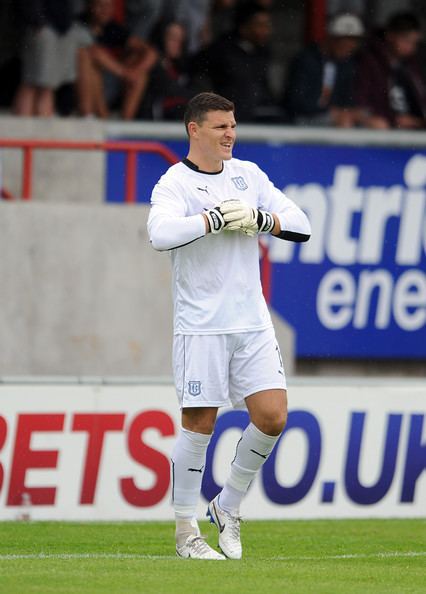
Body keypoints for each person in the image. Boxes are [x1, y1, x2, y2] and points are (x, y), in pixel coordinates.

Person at [147, 92, 311, 560]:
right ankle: (186, 533)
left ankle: (227, 506)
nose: (230, 135)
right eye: (220, 127)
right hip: (201, 326)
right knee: (199, 425)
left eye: (233, 125)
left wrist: (263, 219)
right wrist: (212, 218)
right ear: (193, 130)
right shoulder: (173, 183)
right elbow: (159, 234)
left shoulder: (248, 175)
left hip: (252, 323)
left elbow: (301, 224)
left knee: (273, 416)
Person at [192, 2, 276, 122]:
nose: (266, 31)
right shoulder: (220, 51)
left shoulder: (263, 53)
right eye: (260, 25)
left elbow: (264, 90)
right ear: (243, 28)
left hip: (256, 119)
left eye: (267, 25)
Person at [77, 0, 157, 119]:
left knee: (139, 73)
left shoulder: (112, 28)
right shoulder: (79, 24)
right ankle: (100, 118)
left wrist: (135, 72)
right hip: (78, 87)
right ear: (90, 6)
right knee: (89, 60)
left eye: (109, 6)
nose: (105, 10)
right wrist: (124, 73)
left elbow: (151, 53)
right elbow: (94, 52)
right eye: (101, 5)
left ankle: (125, 123)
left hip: (111, 85)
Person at [283, 13, 364, 126]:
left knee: (373, 122)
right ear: (331, 39)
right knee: (344, 122)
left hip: (332, 116)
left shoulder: (346, 65)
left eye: (352, 43)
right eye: (345, 42)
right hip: (302, 119)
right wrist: (329, 111)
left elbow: (348, 99)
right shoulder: (306, 60)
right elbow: (296, 101)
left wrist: (352, 112)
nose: (349, 47)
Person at [14, 0, 92, 116]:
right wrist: (38, 22)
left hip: (62, 28)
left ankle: (42, 129)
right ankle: (19, 129)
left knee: (48, 85)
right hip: (42, 28)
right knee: (32, 82)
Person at [354, 11, 426, 129]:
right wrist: (392, 119)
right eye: (406, 40)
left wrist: (418, 121)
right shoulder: (369, 61)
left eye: (414, 43)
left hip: (414, 130)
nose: (410, 47)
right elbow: (362, 102)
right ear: (390, 36)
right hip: (383, 128)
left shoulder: (413, 65)